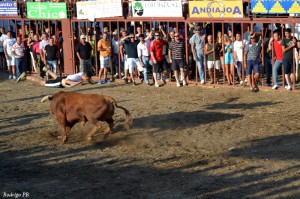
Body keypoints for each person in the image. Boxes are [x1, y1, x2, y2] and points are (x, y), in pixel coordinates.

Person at [17, 67, 88, 88]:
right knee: (42, 82)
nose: (86, 79)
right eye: (86, 78)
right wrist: (78, 82)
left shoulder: (80, 74)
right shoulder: (80, 77)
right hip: (61, 81)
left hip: (62, 78)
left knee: (56, 77)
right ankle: (25, 77)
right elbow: (66, 81)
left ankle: (46, 69)